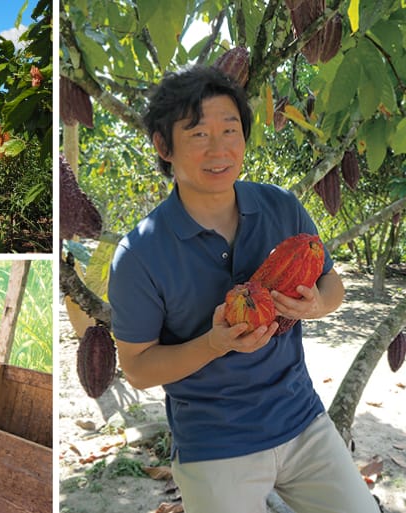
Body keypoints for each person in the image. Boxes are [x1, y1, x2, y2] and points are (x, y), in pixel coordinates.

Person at [108, 66, 379, 513]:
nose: (219, 149)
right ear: (163, 146)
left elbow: (332, 283)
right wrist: (213, 344)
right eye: (198, 135)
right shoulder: (140, 254)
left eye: (230, 131)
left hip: (302, 420)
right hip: (216, 443)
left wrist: (316, 305)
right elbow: (137, 369)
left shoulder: (281, 207)